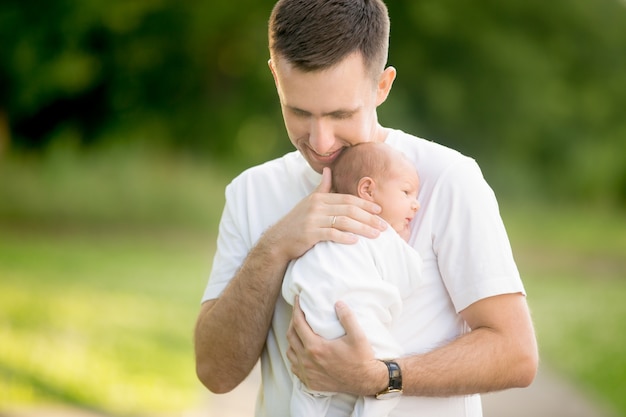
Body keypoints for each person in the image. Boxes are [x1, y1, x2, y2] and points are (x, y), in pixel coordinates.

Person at [194, 0, 538, 416]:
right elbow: (215, 372)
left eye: (341, 114)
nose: (320, 142)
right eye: (299, 112)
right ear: (275, 76)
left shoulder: (448, 179)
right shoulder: (251, 192)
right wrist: (275, 247)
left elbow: (516, 353)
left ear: (382, 86)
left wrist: (382, 376)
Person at [282, 142, 423, 417]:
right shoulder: (381, 232)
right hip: (356, 328)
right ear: (367, 190)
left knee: (308, 390)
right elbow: (409, 281)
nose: (415, 204)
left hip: (311, 326)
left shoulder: (322, 230)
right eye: (406, 192)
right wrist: (403, 245)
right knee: (386, 376)